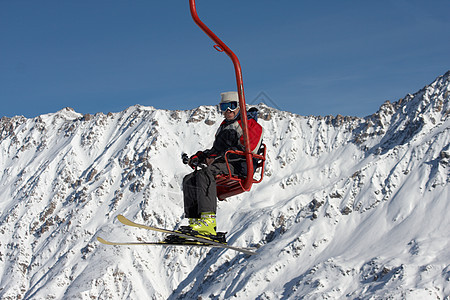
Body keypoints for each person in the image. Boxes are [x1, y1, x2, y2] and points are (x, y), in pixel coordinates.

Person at [182, 91, 263, 239]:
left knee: (205, 174)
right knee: (188, 179)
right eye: (224, 107)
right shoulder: (224, 126)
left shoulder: (249, 124)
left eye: (231, 106)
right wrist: (199, 157)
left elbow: (248, 148)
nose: (228, 111)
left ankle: (207, 221)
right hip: (224, 163)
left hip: (239, 165)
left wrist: (220, 157)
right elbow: (215, 151)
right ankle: (195, 221)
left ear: (239, 107)